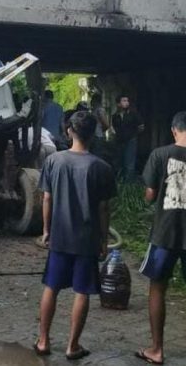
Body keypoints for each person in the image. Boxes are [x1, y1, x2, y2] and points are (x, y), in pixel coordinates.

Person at [35, 111, 117, 361]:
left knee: (51, 287)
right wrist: (103, 240)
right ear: (93, 134)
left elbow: (46, 199)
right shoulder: (102, 167)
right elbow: (104, 209)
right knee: (82, 291)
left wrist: (46, 230)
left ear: (69, 131)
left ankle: (43, 341)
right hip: (87, 239)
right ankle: (72, 346)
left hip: (60, 237)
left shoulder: (54, 161)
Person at [135, 111, 186, 365]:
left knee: (157, 287)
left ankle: (157, 350)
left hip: (165, 232)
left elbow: (150, 195)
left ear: (174, 130)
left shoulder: (160, 154)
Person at [112, 94, 145, 181]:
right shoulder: (115, 116)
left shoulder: (133, 114)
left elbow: (141, 126)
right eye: (124, 101)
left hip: (131, 140)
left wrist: (134, 134)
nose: (127, 103)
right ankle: (120, 179)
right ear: (118, 104)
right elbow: (115, 127)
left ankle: (129, 182)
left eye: (127, 101)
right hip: (119, 141)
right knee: (119, 160)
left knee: (130, 161)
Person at [90, 93, 109, 159]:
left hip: (98, 137)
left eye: (92, 100)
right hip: (94, 136)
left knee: (97, 156)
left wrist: (101, 131)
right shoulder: (95, 110)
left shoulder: (100, 110)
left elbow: (106, 124)